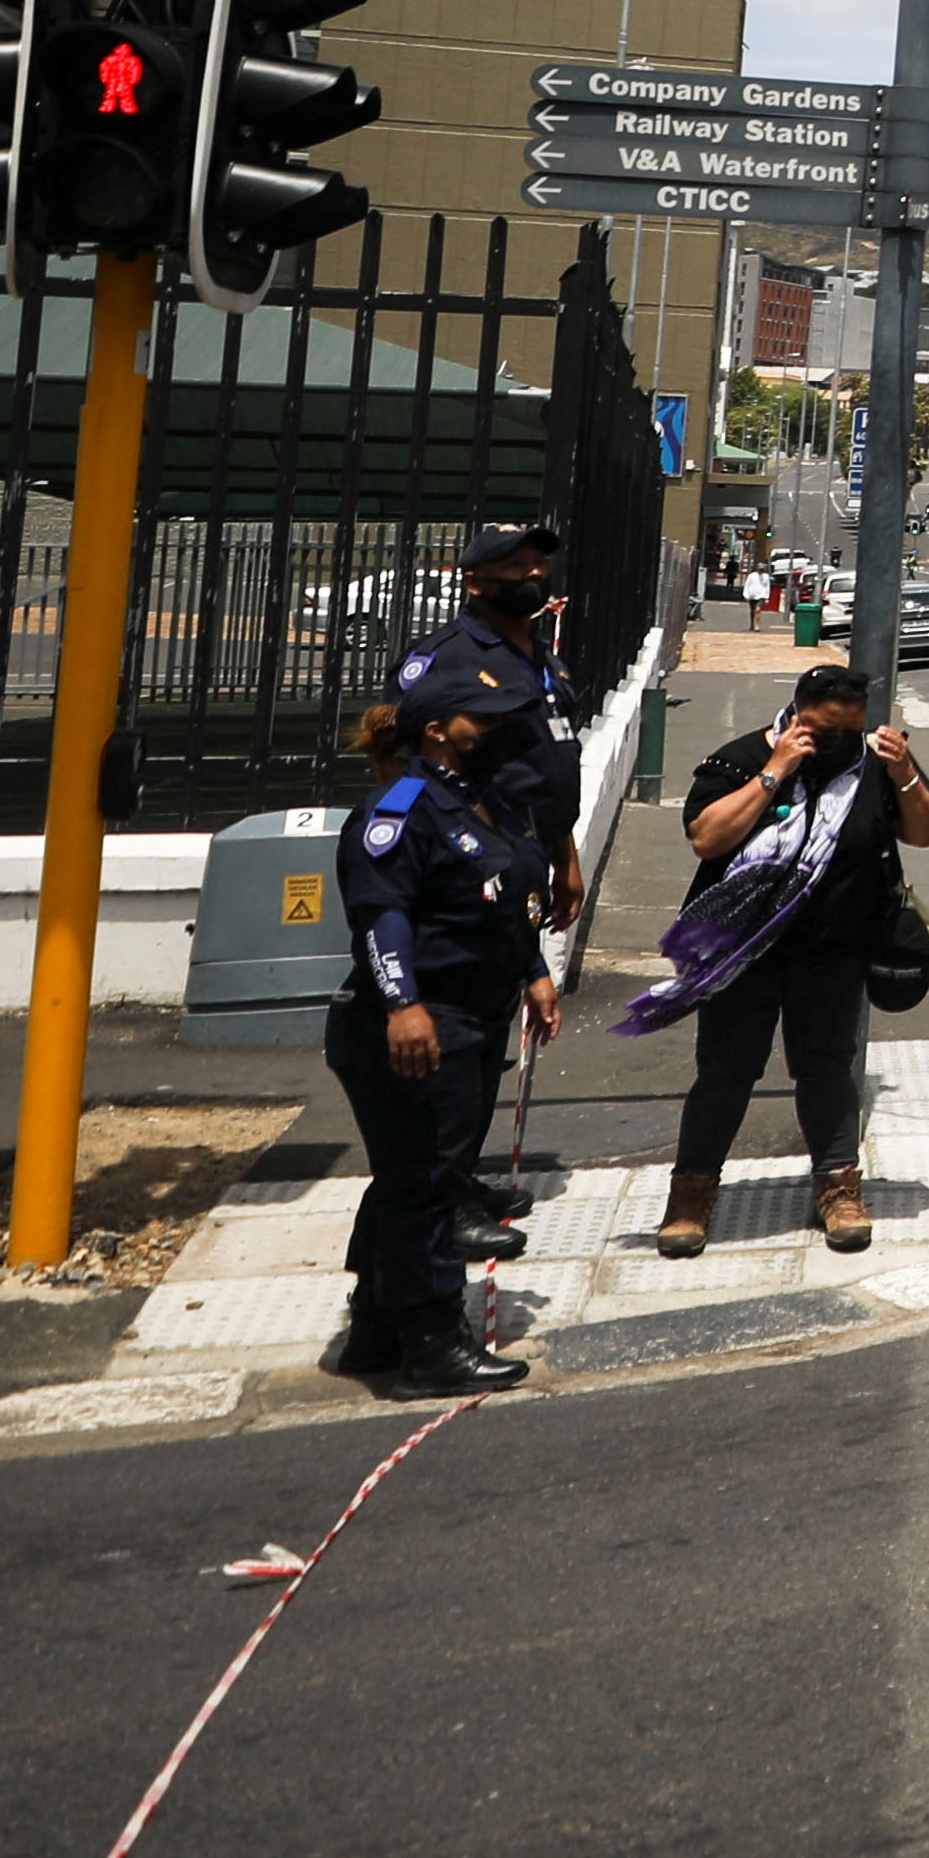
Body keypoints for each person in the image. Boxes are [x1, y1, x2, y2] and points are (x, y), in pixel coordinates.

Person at [649, 660, 929, 1258]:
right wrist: (776, 771)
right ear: (795, 714)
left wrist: (904, 772)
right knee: (725, 1075)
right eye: (819, 730)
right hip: (743, 954)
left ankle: (838, 1186)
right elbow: (707, 837)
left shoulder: (872, 765)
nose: (832, 742)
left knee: (828, 1071)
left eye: (845, 732)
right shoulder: (739, 758)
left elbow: (926, 832)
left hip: (833, 955)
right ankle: (692, 1192)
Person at [328, 678, 556, 1396]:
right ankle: (431, 1343)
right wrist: (403, 1003)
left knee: (417, 1173)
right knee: (426, 1185)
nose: (500, 729)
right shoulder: (399, 809)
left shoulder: (486, 800)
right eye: (484, 718)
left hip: (473, 1017)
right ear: (435, 729)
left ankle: (375, 1325)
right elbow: (381, 914)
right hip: (415, 1022)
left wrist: (533, 971)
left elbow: (503, 901)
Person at [391, 521, 587, 936]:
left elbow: (547, 768)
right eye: (516, 565)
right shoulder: (446, 660)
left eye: (538, 563)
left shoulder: (546, 661)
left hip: (531, 856)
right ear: (474, 582)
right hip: (469, 865)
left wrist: (566, 861)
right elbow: (397, 764)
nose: (533, 574)